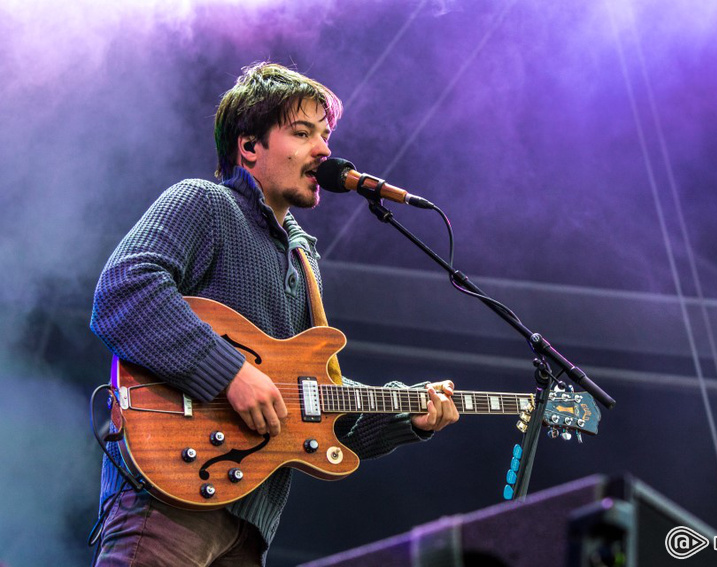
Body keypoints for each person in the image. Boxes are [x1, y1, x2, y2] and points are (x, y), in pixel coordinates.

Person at [89, 61, 459, 566]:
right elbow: (123, 290)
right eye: (302, 133)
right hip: (169, 496)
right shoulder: (204, 203)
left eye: (325, 135)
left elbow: (323, 414)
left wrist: (407, 417)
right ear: (249, 146)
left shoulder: (305, 262)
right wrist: (230, 373)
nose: (325, 150)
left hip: (249, 527)